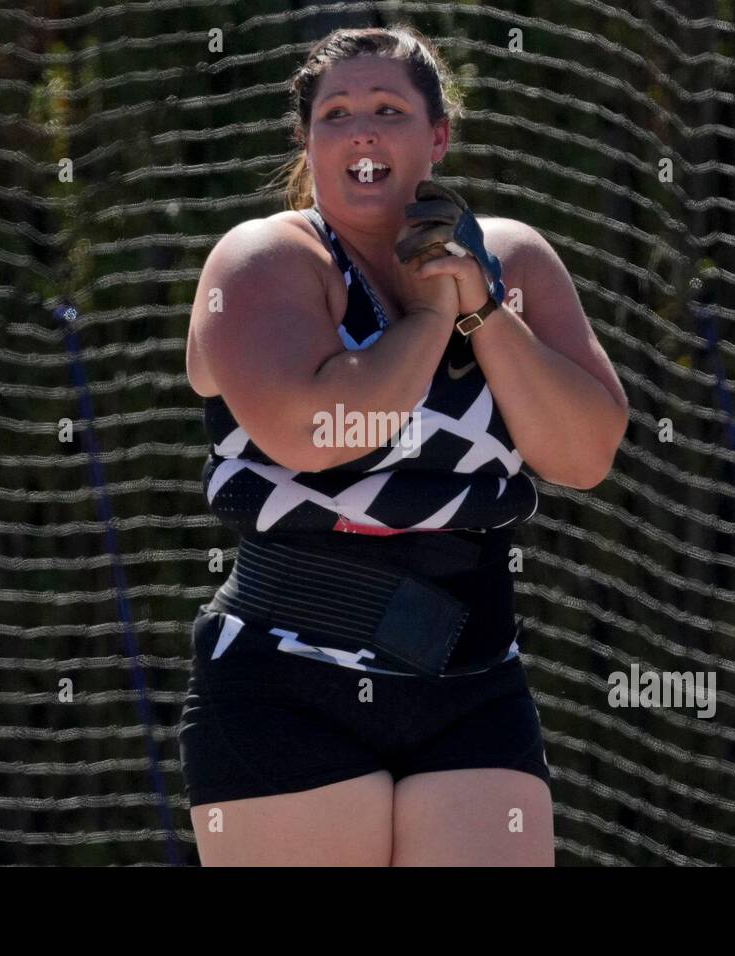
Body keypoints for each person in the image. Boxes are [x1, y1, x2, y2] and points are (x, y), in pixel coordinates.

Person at [179, 24, 629, 866]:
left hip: (471, 680)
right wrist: (429, 317)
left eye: (388, 109)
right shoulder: (263, 259)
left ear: (438, 137)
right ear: (309, 143)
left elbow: (584, 454)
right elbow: (317, 435)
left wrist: (484, 311)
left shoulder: (515, 259)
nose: (362, 132)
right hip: (287, 680)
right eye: (335, 115)